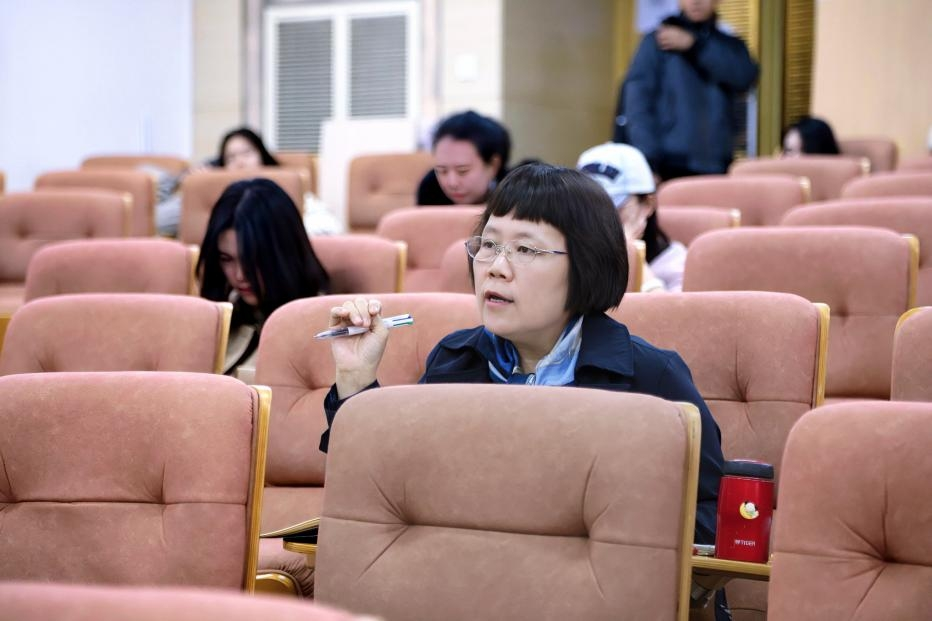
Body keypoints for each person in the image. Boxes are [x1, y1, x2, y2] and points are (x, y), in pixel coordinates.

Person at [321, 163, 723, 544]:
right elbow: (392, 487)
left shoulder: (651, 376)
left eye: (526, 250)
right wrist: (356, 377)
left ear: (586, 265)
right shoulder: (456, 361)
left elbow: (709, 516)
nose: (496, 267)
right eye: (489, 244)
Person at [198, 178, 329, 382]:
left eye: (253, 259)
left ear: (283, 253)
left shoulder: (321, 326)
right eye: (226, 259)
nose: (240, 275)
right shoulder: (221, 317)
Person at [614, 0, 758, 181]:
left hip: (717, 164)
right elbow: (637, 105)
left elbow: (744, 76)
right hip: (667, 165)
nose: (696, 1)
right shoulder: (658, 41)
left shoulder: (730, 45)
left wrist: (695, 46)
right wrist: (648, 161)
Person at [157, 127, 342, 237]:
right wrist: (194, 188)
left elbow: (330, 227)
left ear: (262, 156)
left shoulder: (285, 186)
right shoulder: (215, 196)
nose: (240, 162)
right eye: (230, 158)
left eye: (247, 153)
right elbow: (158, 222)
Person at [578, 142, 685, 292]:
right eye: (587, 210)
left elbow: (667, 306)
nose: (598, 221)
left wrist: (628, 251)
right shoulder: (568, 253)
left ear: (648, 204)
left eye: (612, 210)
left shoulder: (675, 263)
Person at [417, 110, 511, 205]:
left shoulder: (513, 192)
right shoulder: (430, 189)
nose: (452, 183)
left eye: (462, 171)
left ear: (493, 166)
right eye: (442, 171)